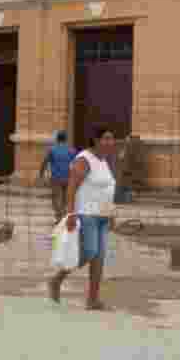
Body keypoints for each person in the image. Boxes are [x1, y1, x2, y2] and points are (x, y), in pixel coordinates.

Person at [47, 127, 117, 311]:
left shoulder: (104, 161)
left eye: (112, 139)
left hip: (102, 216)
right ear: (95, 140)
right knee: (89, 252)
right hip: (86, 215)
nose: (110, 142)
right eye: (106, 138)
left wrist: (112, 213)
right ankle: (57, 279)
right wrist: (70, 214)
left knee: (99, 258)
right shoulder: (83, 159)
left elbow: (106, 190)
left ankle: (93, 299)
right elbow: (71, 189)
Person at [40, 131, 77, 222]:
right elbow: (76, 164)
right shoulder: (72, 150)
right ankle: (63, 215)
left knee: (56, 197)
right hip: (68, 178)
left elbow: (45, 162)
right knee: (65, 198)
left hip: (56, 178)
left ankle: (59, 216)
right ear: (66, 139)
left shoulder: (52, 149)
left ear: (57, 139)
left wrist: (41, 173)